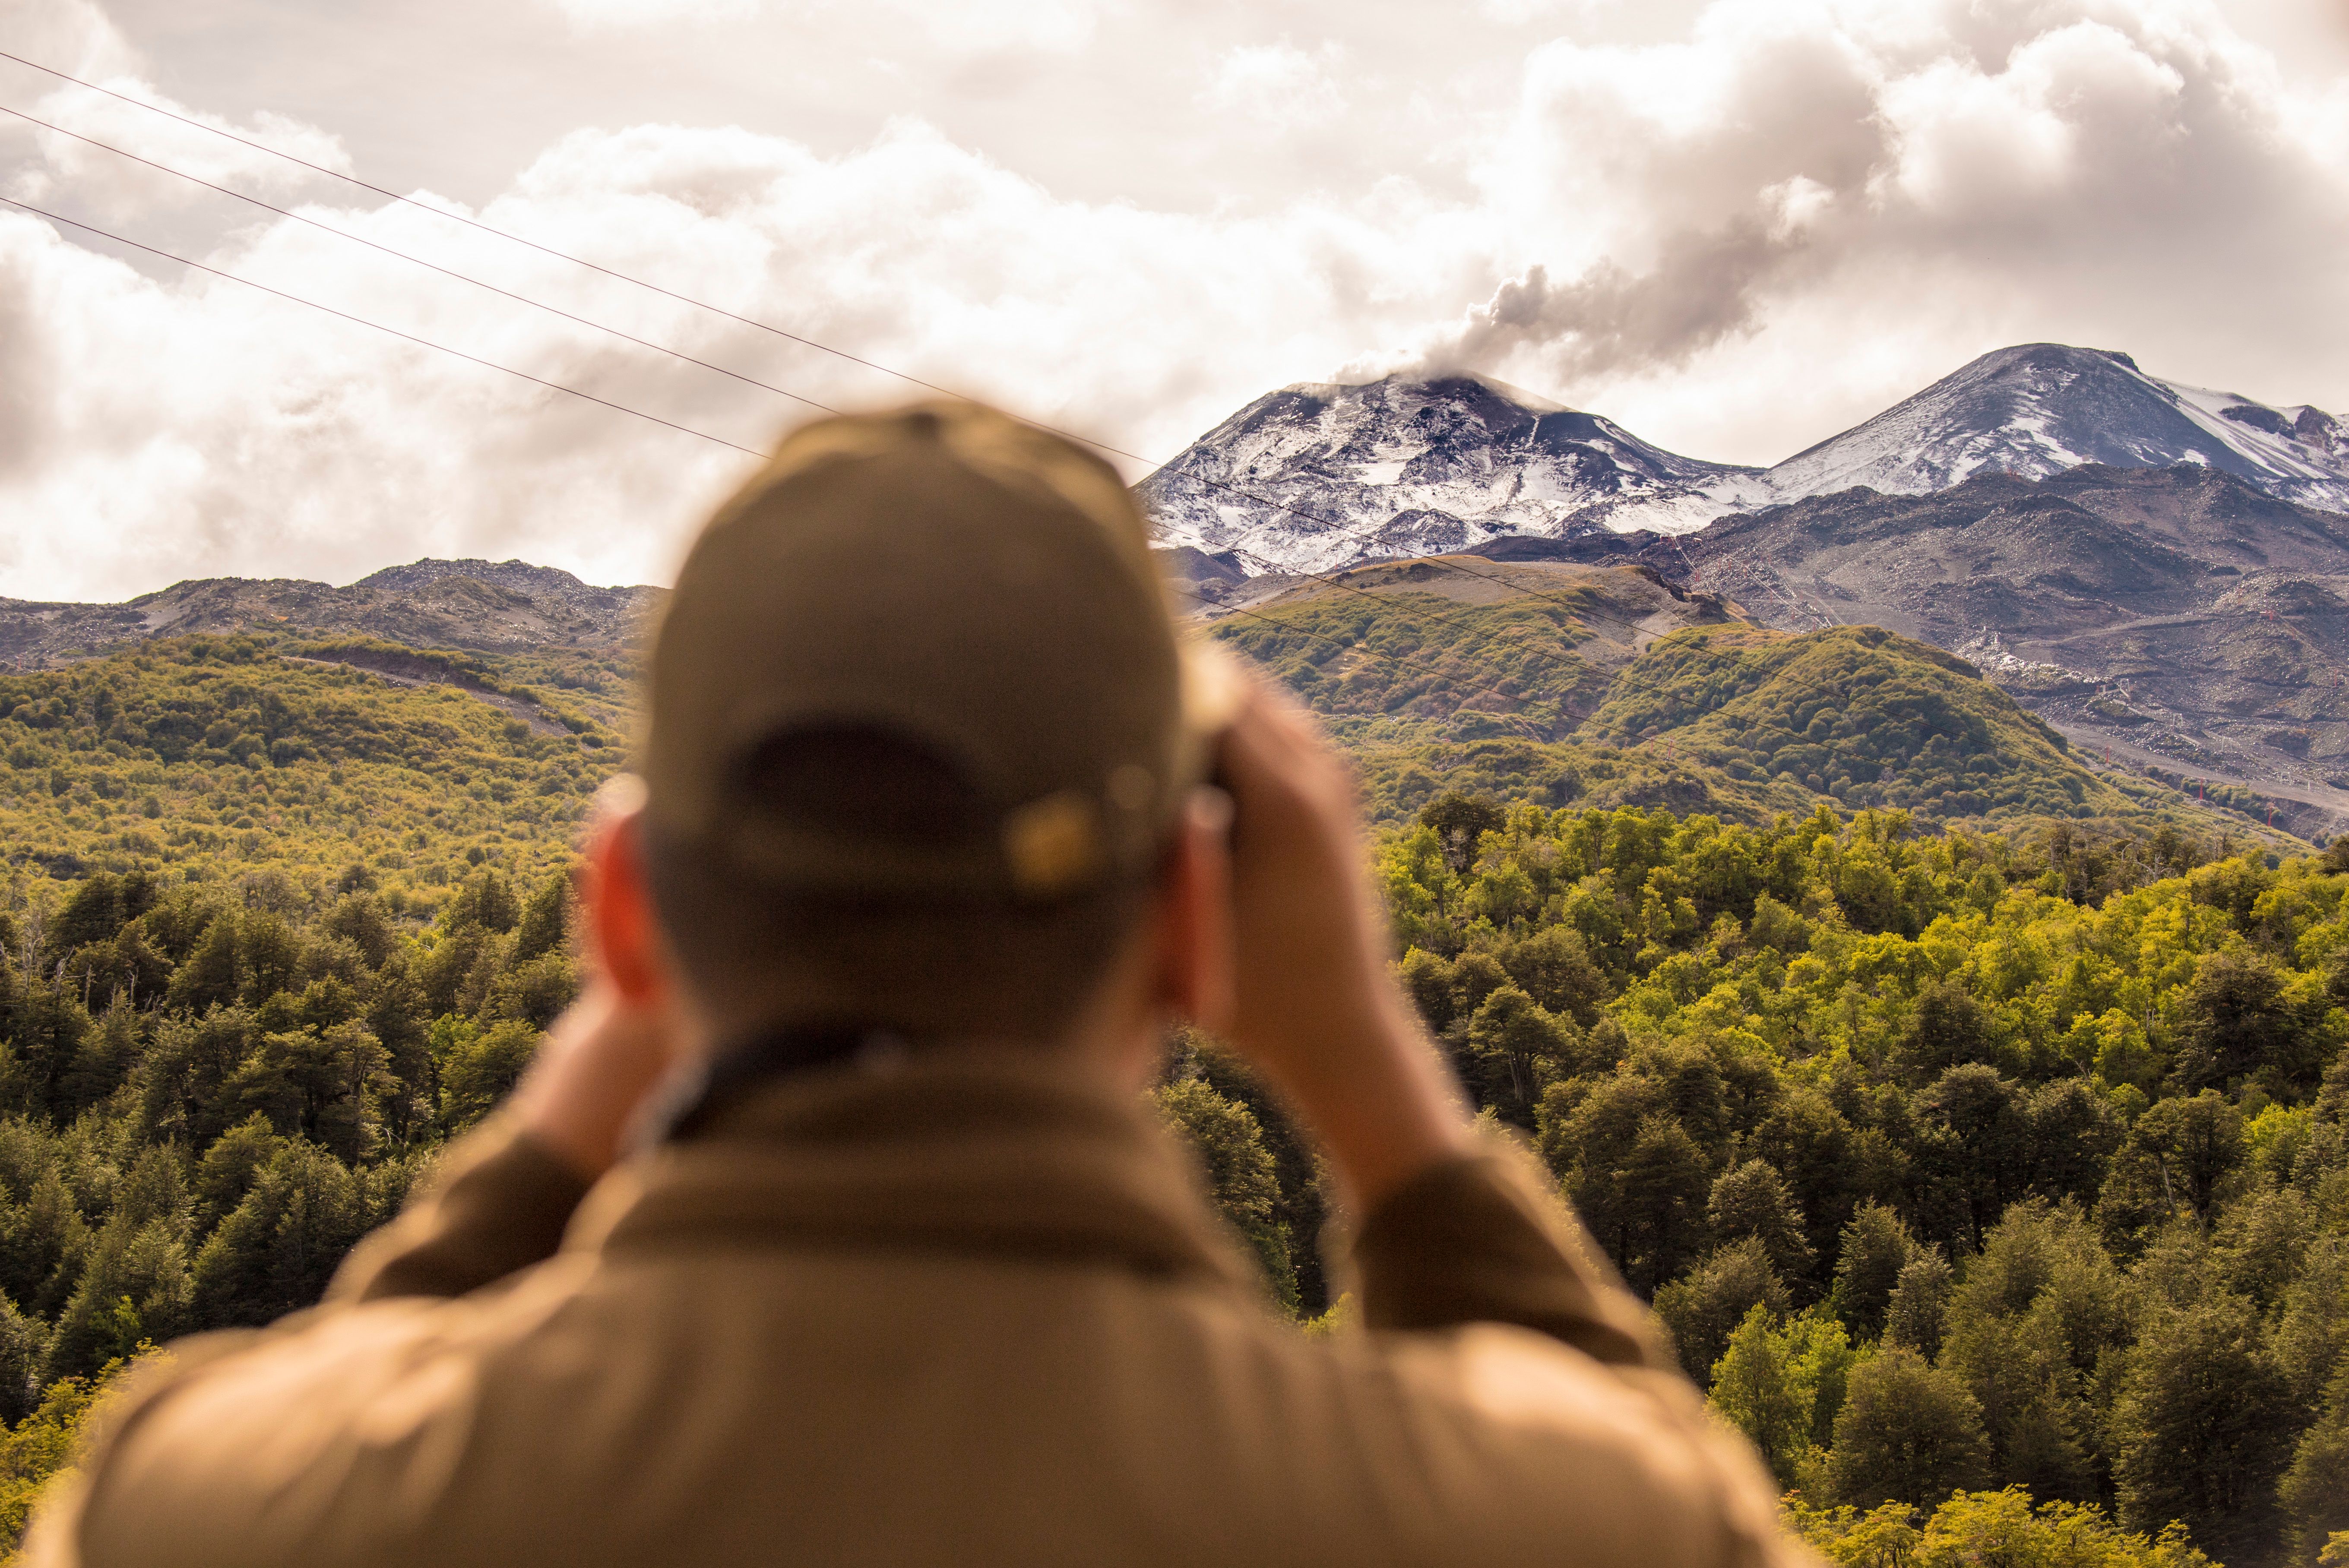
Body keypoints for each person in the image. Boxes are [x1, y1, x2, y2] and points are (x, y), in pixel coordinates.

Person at [28, 403, 1807, 1567]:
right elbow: (1660, 1495)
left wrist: (549, 1134)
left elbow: (347, 1417)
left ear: (627, 917)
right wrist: (1380, 1095)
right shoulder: (1560, 1518)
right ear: (1193, 923)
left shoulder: (202, 1507)